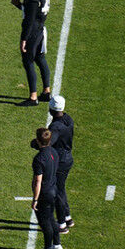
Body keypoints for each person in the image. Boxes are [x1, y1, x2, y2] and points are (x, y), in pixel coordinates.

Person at [12, 0, 52, 106]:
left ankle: (33, 97)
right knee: (40, 58)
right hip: (40, 28)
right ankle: (46, 91)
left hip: (32, 31)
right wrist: (20, 5)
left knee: (28, 61)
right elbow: (34, 10)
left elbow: (30, 18)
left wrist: (24, 38)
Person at [29, 127, 62, 249]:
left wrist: (35, 199)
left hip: (45, 192)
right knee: (51, 219)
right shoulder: (54, 151)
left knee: (45, 222)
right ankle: (57, 245)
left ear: (38, 140)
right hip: (53, 189)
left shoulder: (39, 158)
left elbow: (38, 181)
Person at [48, 95, 75, 231]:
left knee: (57, 191)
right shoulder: (68, 119)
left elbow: (49, 142)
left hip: (60, 160)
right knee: (61, 188)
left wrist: (37, 143)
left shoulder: (56, 126)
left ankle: (61, 224)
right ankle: (67, 217)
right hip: (67, 157)